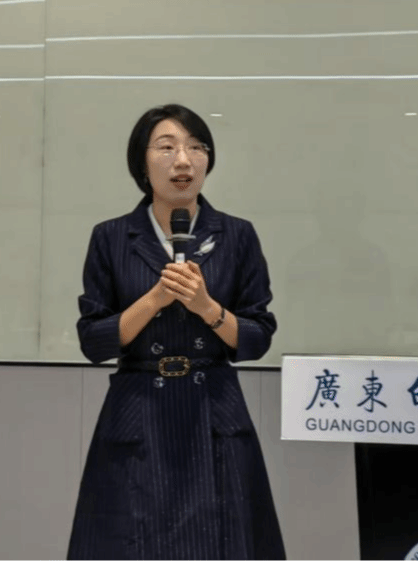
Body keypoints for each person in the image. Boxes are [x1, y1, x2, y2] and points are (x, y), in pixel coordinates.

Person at [67, 104, 286, 561]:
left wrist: (206, 307)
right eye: (166, 148)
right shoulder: (111, 237)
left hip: (214, 410)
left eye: (196, 147)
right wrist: (154, 300)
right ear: (142, 163)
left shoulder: (238, 235)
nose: (183, 160)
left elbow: (258, 338)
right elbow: (93, 341)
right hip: (138, 410)